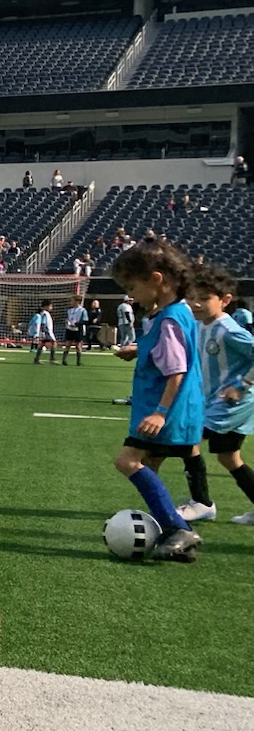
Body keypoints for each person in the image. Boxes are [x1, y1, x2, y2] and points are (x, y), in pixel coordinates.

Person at [111, 240, 203, 561]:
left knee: (127, 462)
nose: (131, 295)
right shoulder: (176, 313)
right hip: (173, 410)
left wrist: (161, 413)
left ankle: (178, 529)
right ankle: (172, 534)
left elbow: (176, 370)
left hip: (162, 411)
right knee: (149, 464)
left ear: (156, 279)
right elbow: (175, 353)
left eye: (133, 286)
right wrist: (138, 350)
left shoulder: (169, 320)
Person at [184, 265, 254, 525]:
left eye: (204, 298)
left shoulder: (229, 329)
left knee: (188, 439)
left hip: (233, 401)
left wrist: (242, 385)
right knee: (229, 458)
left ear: (225, 300)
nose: (196, 304)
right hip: (212, 399)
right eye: (192, 297)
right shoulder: (199, 324)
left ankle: (201, 502)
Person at [27, 301, 57, 365]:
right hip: (47, 331)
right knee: (53, 343)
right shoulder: (45, 313)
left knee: (42, 344)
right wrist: (43, 331)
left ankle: (37, 359)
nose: (51, 307)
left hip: (46, 331)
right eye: (50, 306)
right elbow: (43, 323)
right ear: (46, 306)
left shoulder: (44, 313)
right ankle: (52, 359)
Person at [61, 297, 89, 365]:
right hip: (69, 329)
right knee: (67, 344)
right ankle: (64, 360)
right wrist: (67, 322)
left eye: (72, 301)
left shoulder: (83, 310)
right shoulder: (69, 310)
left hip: (78, 329)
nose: (71, 302)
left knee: (78, 345)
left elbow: (85, 320)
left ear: (77, 302)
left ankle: (78, 361)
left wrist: (77, 324)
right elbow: (67, 318)